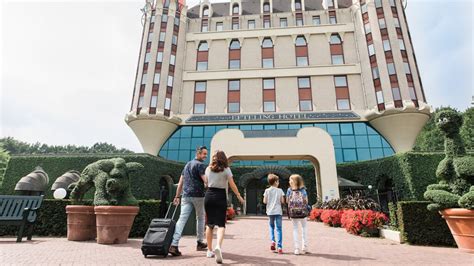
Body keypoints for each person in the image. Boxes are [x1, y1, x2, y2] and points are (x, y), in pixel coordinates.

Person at [204, 150, 244, 264]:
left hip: (209, 196)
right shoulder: (226, 169)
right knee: (221, 224)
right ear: (224, 158)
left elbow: (206, 183)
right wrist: (239, 195)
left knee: (209, 224)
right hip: (220, 196)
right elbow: (232, 184)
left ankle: (209, 250)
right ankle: (218, 246)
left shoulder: (208, 169)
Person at [169, 146, 209, 256]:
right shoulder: (200, 165)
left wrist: (177, 196)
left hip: (185, 196)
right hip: (198, 196)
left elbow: (180, 182)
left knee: (181, 220)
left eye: (206, 154)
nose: (206, 156)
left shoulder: (187, 165)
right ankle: (200, 242)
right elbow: (205, 180)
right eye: (204, 154)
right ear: (199, 153)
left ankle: (174, 245)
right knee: (200, 218)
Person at [286, 174, 309, 255]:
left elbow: (287, 201)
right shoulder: (303, 190)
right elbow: (306, 201)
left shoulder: (289, 190)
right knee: (304, 228)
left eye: (290, 180)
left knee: (295, 229)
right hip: (303, 212)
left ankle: (296, 249)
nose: (289, 181)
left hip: (293, 213)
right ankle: (305, 247)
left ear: (294, 181)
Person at [263, 174, 285, 254]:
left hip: (270, 211)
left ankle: (273, 241)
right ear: (275, 182)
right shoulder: (280, 190)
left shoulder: (267, 191)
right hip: (278, 211)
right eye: (278, 181)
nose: (278, 182)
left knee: (271, 227)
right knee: (279, 229)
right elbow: (282, 201)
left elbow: (264, 201)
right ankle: (279, 247)